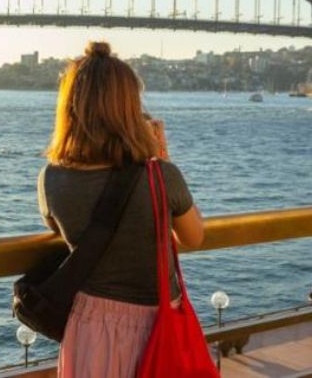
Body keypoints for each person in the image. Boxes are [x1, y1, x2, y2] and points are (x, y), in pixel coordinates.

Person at [37, 41, 206, 378]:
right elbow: (193, 237)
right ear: (129, 109)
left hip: (89, 330)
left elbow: (58, 226)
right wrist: (161, 161)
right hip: (157, 332)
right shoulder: (162, 177)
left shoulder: (50, 179)